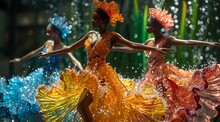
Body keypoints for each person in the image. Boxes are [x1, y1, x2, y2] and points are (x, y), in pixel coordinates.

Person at [36, 1, 171, 121]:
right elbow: (70, 48)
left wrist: (155, 49)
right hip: (89, 74)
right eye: (93, 19)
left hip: (102, 76)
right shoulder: (90, 34)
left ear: (102, 21)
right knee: (84, 106)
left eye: (95, 19)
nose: (92, 21)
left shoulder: (112, 36)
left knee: (83, 105)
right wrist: (49, 54)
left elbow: (133, 45)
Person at [112, 8, 220, 121]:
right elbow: (132, 49)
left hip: (161, 76)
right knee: (146, 102)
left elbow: (186, 42)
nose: (147, 28)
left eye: (150, 26)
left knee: (164, 102)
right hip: (150, 77)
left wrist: (209, 43)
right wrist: (113, 48)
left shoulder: (167, 40)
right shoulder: (149, 42)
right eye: (148, 26)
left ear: (157, 27)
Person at [0, 14, 83, 121]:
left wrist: (82, 70)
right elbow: (34, 53)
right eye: (48, 33)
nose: (49, 35)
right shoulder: (48, 43)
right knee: (32, 99)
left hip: (53, 77)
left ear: (57, 33)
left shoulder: (63, 47)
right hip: (40, 75)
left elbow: (74, 60)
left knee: (48, 101)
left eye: (51, 33)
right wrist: (20, 59)